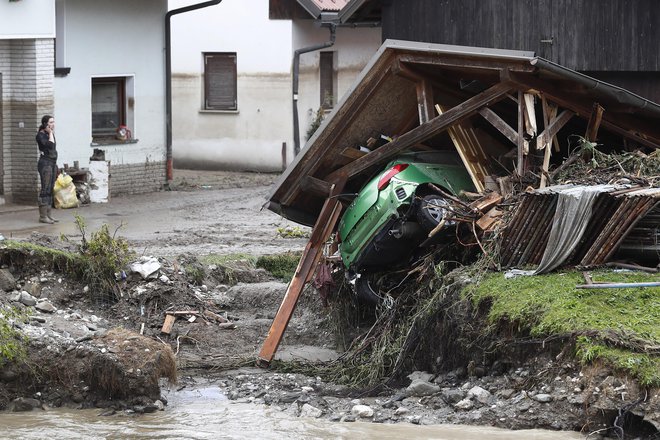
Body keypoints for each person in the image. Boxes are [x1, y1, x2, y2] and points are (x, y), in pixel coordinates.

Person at [35, 115, 59, 224]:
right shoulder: (40, 135)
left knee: (50, 188)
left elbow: (53, 148)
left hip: (52, 163)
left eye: (53, 122)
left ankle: (49, 215)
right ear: (46, 124)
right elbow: (49, 145)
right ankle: (43, 216)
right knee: (45, 188)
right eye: (51, 122)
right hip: (45, 163)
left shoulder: (50, 134)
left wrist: (50, 133)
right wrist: (49, 133)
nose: (53, 124)